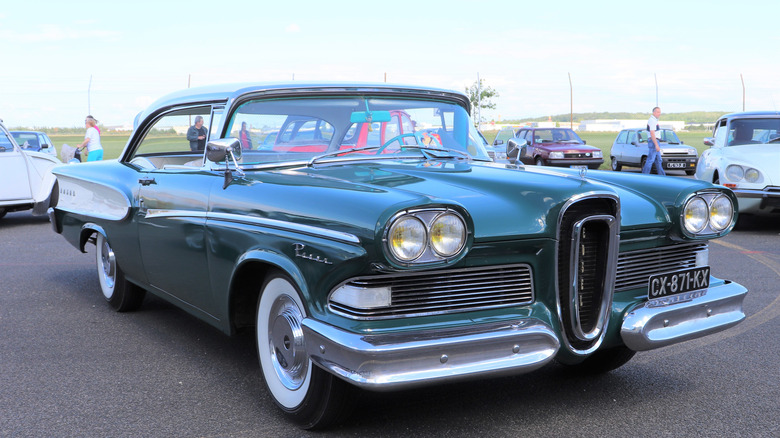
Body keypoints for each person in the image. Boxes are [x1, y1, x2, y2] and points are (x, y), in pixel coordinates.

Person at [641, 107, 665, 175]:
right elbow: (652, 133)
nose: (659, 113)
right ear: (653, 112)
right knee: (650, 160)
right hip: (654, 141)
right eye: (657, 112)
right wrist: (656, 145)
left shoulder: (654, 120)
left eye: (660, 112)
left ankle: (662, 176)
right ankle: (644, 175)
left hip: (655, 141)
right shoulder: (652, 120)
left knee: (658, 160)